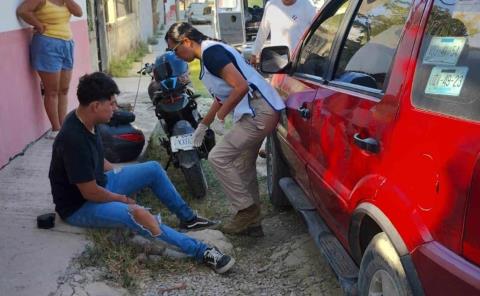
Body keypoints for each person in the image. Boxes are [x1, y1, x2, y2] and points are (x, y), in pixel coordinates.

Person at [49, 72, 235, 274]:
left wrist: (122, 177)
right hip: (79, 206)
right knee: (137, 214)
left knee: (153, 169)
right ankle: (202, 251)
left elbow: (97, 159)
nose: (115, 108)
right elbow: (89, 192)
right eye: (111, 103)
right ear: (95, 106)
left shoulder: (86, 121)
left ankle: (188, 219)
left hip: (100, 185)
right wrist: (123, 199)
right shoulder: (73, 138)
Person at [165, 23, 285, 235]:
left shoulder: (211, 53)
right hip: (258, 110)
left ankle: (246, 209)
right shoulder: (209, 53)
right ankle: (253, 224)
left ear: (186, 42)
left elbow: (240, 86)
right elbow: (221, 97)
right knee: (242, 165)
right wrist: (204, 125)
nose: (175, 56)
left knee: (218, 157)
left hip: (259, 111)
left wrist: (221, 117)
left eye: (174, 50)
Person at [17, 0, 83, 139]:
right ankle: (56, 129)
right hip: (48, 44)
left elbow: (79, 12)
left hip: (67, 44)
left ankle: (63, 126)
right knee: (52, 90)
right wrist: (39, 25)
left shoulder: (66, 2)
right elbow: (22, 11)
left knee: (64, 89)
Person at [249, 0, 319, 66]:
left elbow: (318, 28)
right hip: (277, 61)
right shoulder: (271, 5)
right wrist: (254, 53)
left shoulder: (307, 5)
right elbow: (263, 31)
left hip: (299, 63)